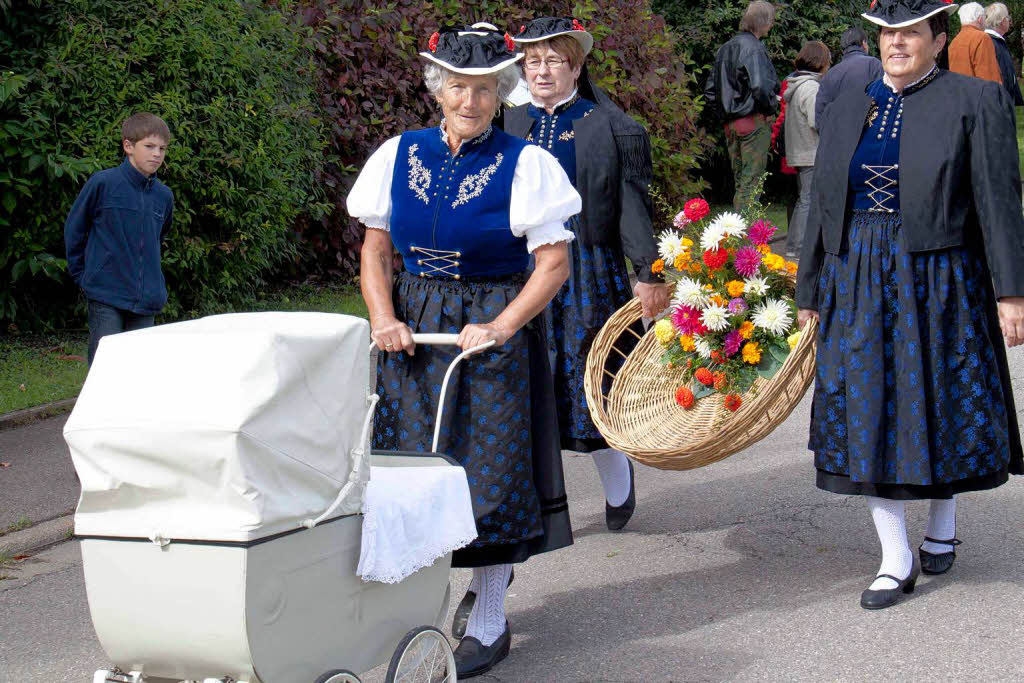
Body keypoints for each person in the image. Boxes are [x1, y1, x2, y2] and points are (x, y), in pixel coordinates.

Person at [346, 25, 579, 678]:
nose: (470, 101)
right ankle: (419, 601)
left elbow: (554, 264)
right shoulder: (398, 154)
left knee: (488, 472)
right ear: (437, 90)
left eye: (482, 90)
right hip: (414, 330)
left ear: (500, 93)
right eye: (458, 87)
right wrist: (383, 314)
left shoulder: (527, 164)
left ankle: (491, 613)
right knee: (413, 470)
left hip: (488, 330)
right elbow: (374, 249)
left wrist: (504, 325)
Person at [796, 0, 1024, 611]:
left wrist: (1011, 293)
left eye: (911, 33)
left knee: (938, 401)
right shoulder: (845, 105)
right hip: (859, 274)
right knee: (870, 405)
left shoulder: (976, 102)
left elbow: (999, 202)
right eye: (888, 34)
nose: (897, 43)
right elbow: (823, 204)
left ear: (937, 37)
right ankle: (894, 558)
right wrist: (810, 289)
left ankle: (942, 522)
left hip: (941, 272)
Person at [504, 16, 669, 531]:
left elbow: (630, 207)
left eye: (554, 60)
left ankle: (617, 482)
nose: (542, 71)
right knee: (526, 384)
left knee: (592, 382)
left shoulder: (611, 126)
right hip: (523, 271)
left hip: (588, 270)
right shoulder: (505, 127)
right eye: (533, 62)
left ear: (576, 66)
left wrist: (647, 271)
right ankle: (534, 504)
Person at [64, 113, 174, 366]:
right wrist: (85, 276)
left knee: (138, 369)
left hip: (147, 299)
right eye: (149, 146)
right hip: (106, 294)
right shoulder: (103, 184)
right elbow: (75, 231)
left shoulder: (164, 196)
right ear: (128, 146)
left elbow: (159, 237)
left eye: (162, 148)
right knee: (106, 367)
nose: (157, 154)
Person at [704, 0, 780, 211]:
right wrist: (771, 106)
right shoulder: (754, 49)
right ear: (764, 21)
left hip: (731, 125)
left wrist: (726, 114)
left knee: (741, 182)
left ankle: (737, 237)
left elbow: (710, 91)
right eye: (771, 20)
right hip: (753, 122)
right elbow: (760, 87)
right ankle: (746, 241)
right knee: (751, 185)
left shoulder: (725, 49)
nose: (772, 25)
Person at [782, 41, 830, 259]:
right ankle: (798, 247)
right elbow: (816, 120)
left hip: (800, 151)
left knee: (805, 199)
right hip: (810, 152)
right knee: (808, 200)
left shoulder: (797, 84)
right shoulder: (811, 87)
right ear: (820, 62)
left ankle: (794, 245)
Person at [815, 26, 883, 126]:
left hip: (838, 137)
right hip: (866, 135)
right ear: (864, 44)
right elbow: (883, 102)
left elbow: (819, 118)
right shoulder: (874, 65)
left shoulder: (830, 74)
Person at [948, 1, 1002, 82]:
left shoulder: (954, 42)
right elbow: (990, 77)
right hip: (978, 92)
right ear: (980, 19)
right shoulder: (982, 38)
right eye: (985, 17)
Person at [985, 3, 1024, 105]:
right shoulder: (991, 42)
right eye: (1007, 18)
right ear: (1002, 21)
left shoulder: (996, 41)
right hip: (1000, 103)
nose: (1009, 21)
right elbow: (1002, 74)